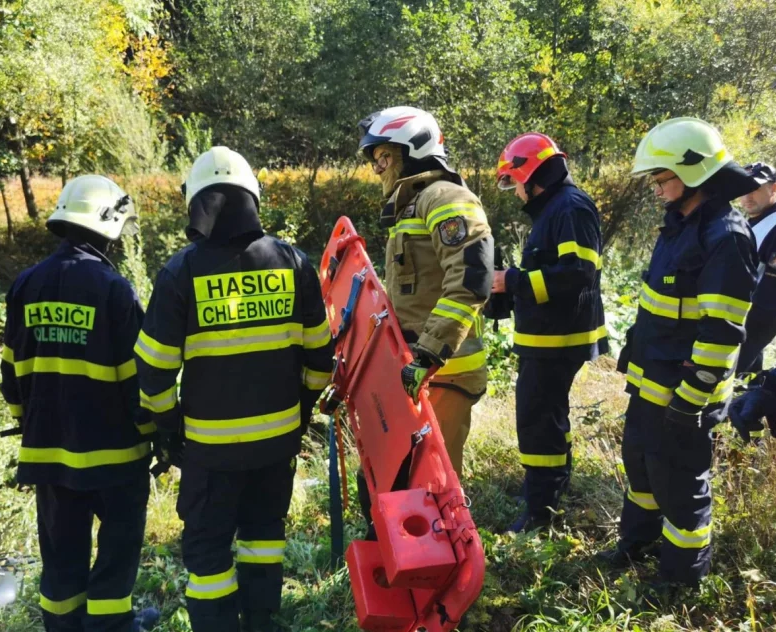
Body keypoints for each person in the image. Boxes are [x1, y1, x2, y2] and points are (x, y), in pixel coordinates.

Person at [134, 147, 334, 632]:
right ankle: (262, 621)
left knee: (208, 550)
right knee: (264, 536)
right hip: (277, 443)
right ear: (252, 198)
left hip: (209, 451)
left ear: (197, 203)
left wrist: (170, 428)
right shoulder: (293, 262)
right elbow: (320, 361)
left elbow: (154, 370)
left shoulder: (181, 272)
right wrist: (301, 412)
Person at [599, 117, 759, 587]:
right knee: (642, 468)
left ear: (693, 172)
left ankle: (679, 580)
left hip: (685, 395)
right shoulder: (679, 224)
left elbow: (722, 332)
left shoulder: (725, 237)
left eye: (661, 177)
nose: (655, 188)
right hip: (651, 383)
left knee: (680, 485)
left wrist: (692, 398)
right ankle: (637, 544)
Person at [0, 175, 150, 632]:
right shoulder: (114, 289)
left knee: (61, 557)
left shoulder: (26, 285)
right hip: (115, 458)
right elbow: (138, 380)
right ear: (109, 223)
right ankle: (111, 627)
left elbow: (12, 372)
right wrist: (155, 434)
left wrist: (28, 424)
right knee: (116, 554)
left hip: (49, 455)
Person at [356, 106, 493, 479]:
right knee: (390, 477)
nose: (378, 168)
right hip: (415, 366)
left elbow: (470, 280)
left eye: (384, 156)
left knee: (433, 483)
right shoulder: (412, 206)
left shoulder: (446, 198)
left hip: (443, 369)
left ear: (413, 148)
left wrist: (430, 353)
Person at [490, 132, 607, 533]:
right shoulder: (557, 208)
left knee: (538, 422)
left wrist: (513, 281)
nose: (516, 193)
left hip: (558, 341)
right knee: (547, 417)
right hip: (548, 338)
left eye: (514, 182)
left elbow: (578, 274)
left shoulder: (570, 208)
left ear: (531, 175)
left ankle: (539, 512)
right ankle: (546, 491)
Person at [736, 162, 776, 375]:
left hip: (757, 316)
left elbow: (774, 290)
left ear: (774, 188)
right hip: (746, 313)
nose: (747, 196)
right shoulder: (755, 221)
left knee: (728, 373)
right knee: (746, 378)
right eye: (743, 188)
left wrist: (741, 325)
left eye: (755, 188)